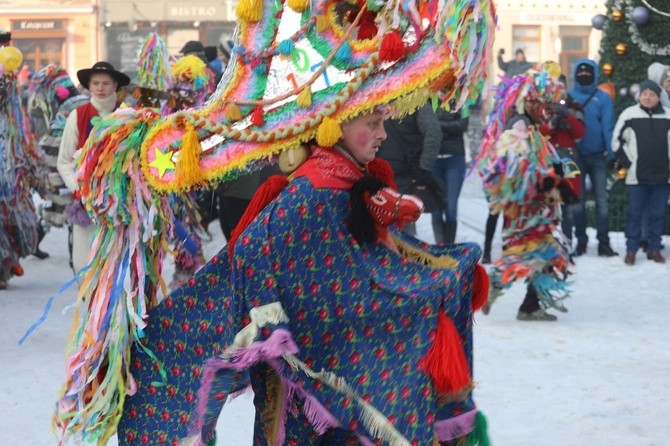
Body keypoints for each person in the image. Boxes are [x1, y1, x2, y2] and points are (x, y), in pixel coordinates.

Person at [475, 68, 573, 321]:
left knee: (543, 253)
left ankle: (528, 304)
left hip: (536, 203)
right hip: (526, 205)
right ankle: (496, 286)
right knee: (533, 251)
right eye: (543, 101)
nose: (546, 107)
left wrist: (556, 170)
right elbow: (512, 163)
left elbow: (533, 157)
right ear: (531, 100)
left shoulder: (529, 124)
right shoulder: (519, 124)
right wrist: (547, 178)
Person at [57, 61, 130, 275]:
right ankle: (89, 308)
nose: (100, 88)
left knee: (114, 267)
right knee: (83, 265)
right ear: (89, 86)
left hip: (120, 204)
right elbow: (64, 161)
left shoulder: (128, 116)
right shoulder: (77, 115)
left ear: (115, 85)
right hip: (85, 203)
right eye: (95, 83)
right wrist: (78, 189)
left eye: (106, 83)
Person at [612, 80, 670, 265]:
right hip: (636, 176)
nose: (647, 97)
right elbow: (617, 141)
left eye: (651, 94)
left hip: (663, 176)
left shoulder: (668, 116)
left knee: (658, 214)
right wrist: (629, 163)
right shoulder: (629, 114)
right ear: (640, 96)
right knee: (634, 215)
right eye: (644, 93)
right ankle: (631, 250)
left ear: (657, 97)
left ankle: (654, 248)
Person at [567, 59, 618, 257]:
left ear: (595, 74)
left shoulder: (603, 98)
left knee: (602, 202)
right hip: (575, 157)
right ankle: (581, 241)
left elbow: (608, 128)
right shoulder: (569, 96)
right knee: (577, 203)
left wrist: (612, 154)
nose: (584, 75)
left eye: (588, 72)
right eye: (581, 71)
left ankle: (603, 243)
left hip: (597, 157)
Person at [377, 102, 442, 235]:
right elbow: (434, 132)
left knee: (385, 225)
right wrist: (424, 168)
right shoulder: (416, 100)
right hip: (401, 173)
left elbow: (433, 132)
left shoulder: (376, 97)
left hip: (382, 172)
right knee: (403, 227)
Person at [432, 104, 468, 243]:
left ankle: (449, 249)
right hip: (434, 160)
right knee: (436, 209)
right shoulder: (431, 102)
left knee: (451, 208)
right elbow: (428, 125)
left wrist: (439, 127)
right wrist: (451, 127)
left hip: (455, 158)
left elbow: (463, 125)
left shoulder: (464, 102)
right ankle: (440, 249)